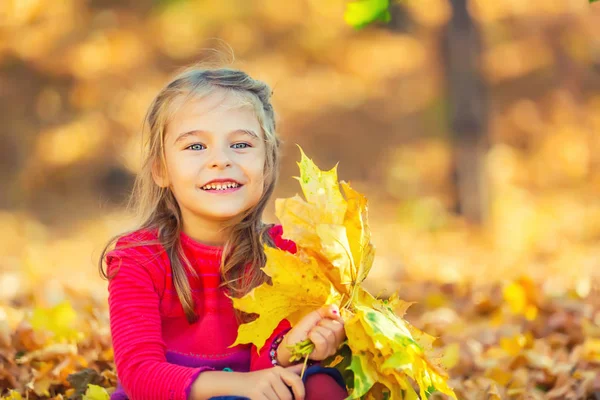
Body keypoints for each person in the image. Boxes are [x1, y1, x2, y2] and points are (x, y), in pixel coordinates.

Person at [99, 66, 349, 400]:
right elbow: (140, 377)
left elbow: (272, 368)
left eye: (241, 144)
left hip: (258, 390)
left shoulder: (284, 252)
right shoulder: (139, 258)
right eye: (196, 147)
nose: (221, 160)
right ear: (161, 169)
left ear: (268, 164)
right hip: (176, 395)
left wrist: (297, 347)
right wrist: (240, 385)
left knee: (322, 385)